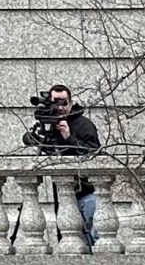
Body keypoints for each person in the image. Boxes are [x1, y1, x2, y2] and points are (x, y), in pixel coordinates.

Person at [31, 84, 103, 246]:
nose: (60, 107)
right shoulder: (48, 124)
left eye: (64, 103)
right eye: (55, 102)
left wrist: (68, 136)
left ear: (71, 102)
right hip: (62, 195)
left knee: (92, 236)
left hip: (85, 190)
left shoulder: (84, 124)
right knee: (70, 240)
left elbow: (94, 154)